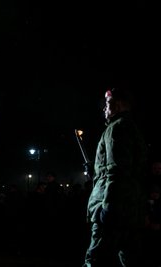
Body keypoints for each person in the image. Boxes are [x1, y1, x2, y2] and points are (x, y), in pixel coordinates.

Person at [83, 87, 148, 266]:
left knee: (95, 260)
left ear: (117, 105)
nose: (104, 107)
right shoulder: (132, 128)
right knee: (131, 260)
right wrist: (96, 170)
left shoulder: (116, 129)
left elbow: (117, 171)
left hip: (112, 210)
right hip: (131, 211)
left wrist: (107, 209)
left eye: (107, 103)